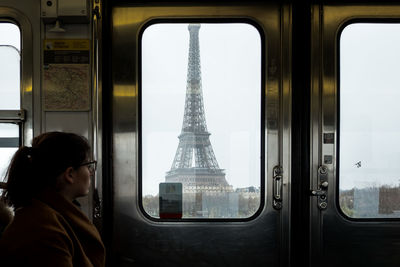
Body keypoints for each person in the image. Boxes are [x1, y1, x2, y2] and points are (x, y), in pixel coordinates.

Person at [0, 132, 105, 267]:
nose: (91, 172)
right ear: (70, 174)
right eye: (88, 165)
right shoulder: (43, 231)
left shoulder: (47, 216)